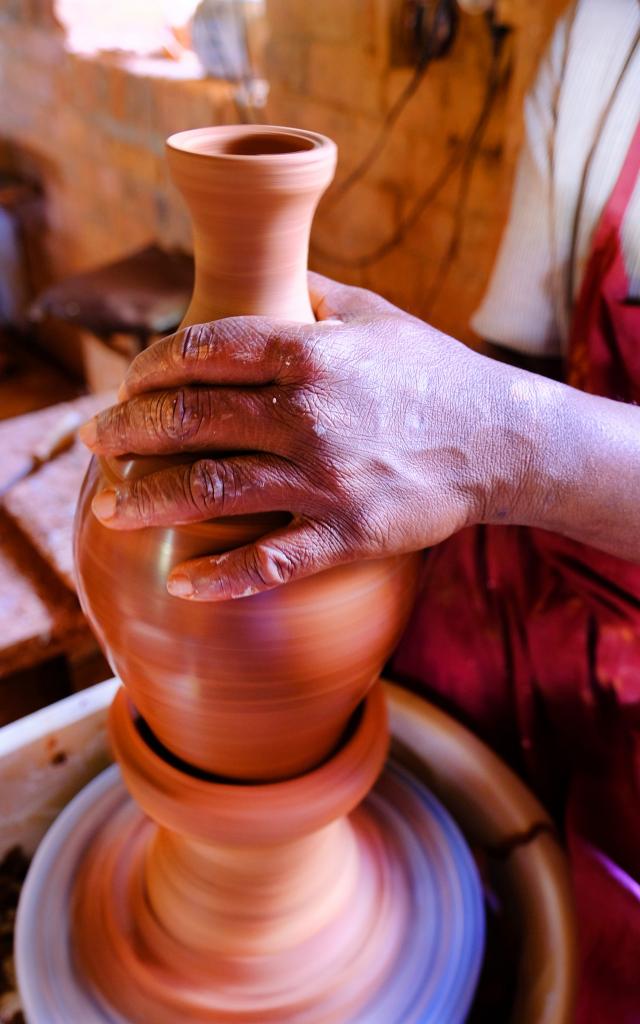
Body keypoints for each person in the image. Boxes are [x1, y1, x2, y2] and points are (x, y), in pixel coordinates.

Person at [79, 0, 640, 1018]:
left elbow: (502, 429)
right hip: (546, 578)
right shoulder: (605, 36)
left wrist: (502, 436)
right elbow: (511, 371)